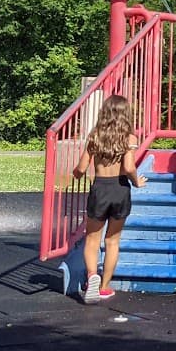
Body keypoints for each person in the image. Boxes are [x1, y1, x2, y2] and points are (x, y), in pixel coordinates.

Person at [71, 94, 146, 303]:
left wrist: (75, 175)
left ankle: (91, 276)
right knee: (112, 241)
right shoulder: (129, 138)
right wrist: (137, 181)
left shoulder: (95, 135)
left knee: (92, 239)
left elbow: (82, 167)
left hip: (100, 189)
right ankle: (104, 287)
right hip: (120, 188)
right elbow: (129, 167)